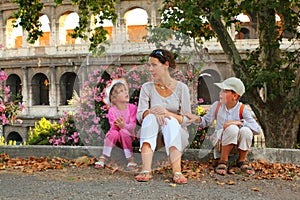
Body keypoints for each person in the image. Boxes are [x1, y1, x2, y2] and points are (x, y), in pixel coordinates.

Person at [135, 49, 191, 184]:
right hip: (154, 132)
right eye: (149, 65)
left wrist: (167, 113)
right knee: (149, 118)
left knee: (170, 120)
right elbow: (139, 115)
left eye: (154, 65)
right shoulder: (147, 87)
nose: (150, 69)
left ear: (166, 65)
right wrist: (153, 111)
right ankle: (146, 169)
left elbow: (187, 119)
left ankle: (177, 171)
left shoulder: (181, 88)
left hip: (176, 132)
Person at [185, 77, 261, 175]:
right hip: (220, 142)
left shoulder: (242, 108)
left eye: (224, 91)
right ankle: (223, 160)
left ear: (234, 96)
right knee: (232, 129)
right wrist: (196, 118)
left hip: (236, 143)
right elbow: (205, 121)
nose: (220, 93)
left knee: (246, 130)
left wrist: (239, 123)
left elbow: (257, 129)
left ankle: (242, 160)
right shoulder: (217, 106)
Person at [95, 78, 137, 169]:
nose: (126, 92)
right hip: (115, 136)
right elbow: (113, 127)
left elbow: (133, 125)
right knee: (114, 133)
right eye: (121, 91)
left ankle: (130, 158)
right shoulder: (112, 110)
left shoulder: (132, 108)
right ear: (114, 98)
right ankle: (104, 156)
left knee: (123, 132)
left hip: (127, 135)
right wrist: (118, 125)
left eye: (125, 90)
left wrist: (123, 126)